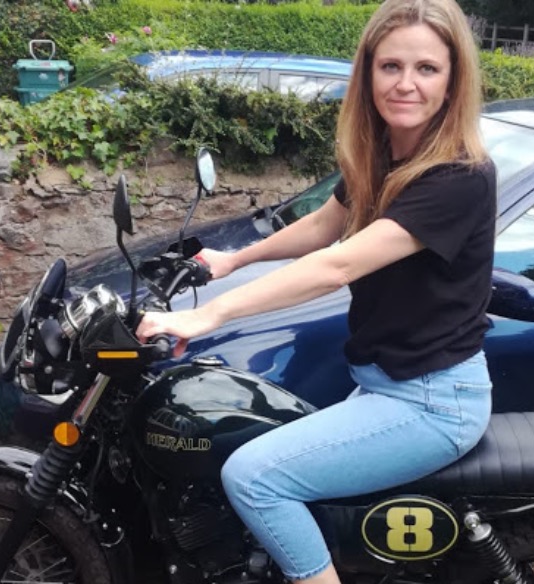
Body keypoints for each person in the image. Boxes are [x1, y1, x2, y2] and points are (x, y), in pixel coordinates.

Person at [135, 0, 496, 582]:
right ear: (368, 73)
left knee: (254, 476)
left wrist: (209, 316)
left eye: (427, 68)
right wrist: (233, 259)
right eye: (390, 66)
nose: (405, 83)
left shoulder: (457, 176)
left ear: (453, 82)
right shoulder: (385, 153)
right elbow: (328, 223)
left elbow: (338, 264)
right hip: (384, 383)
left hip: (431, 402)